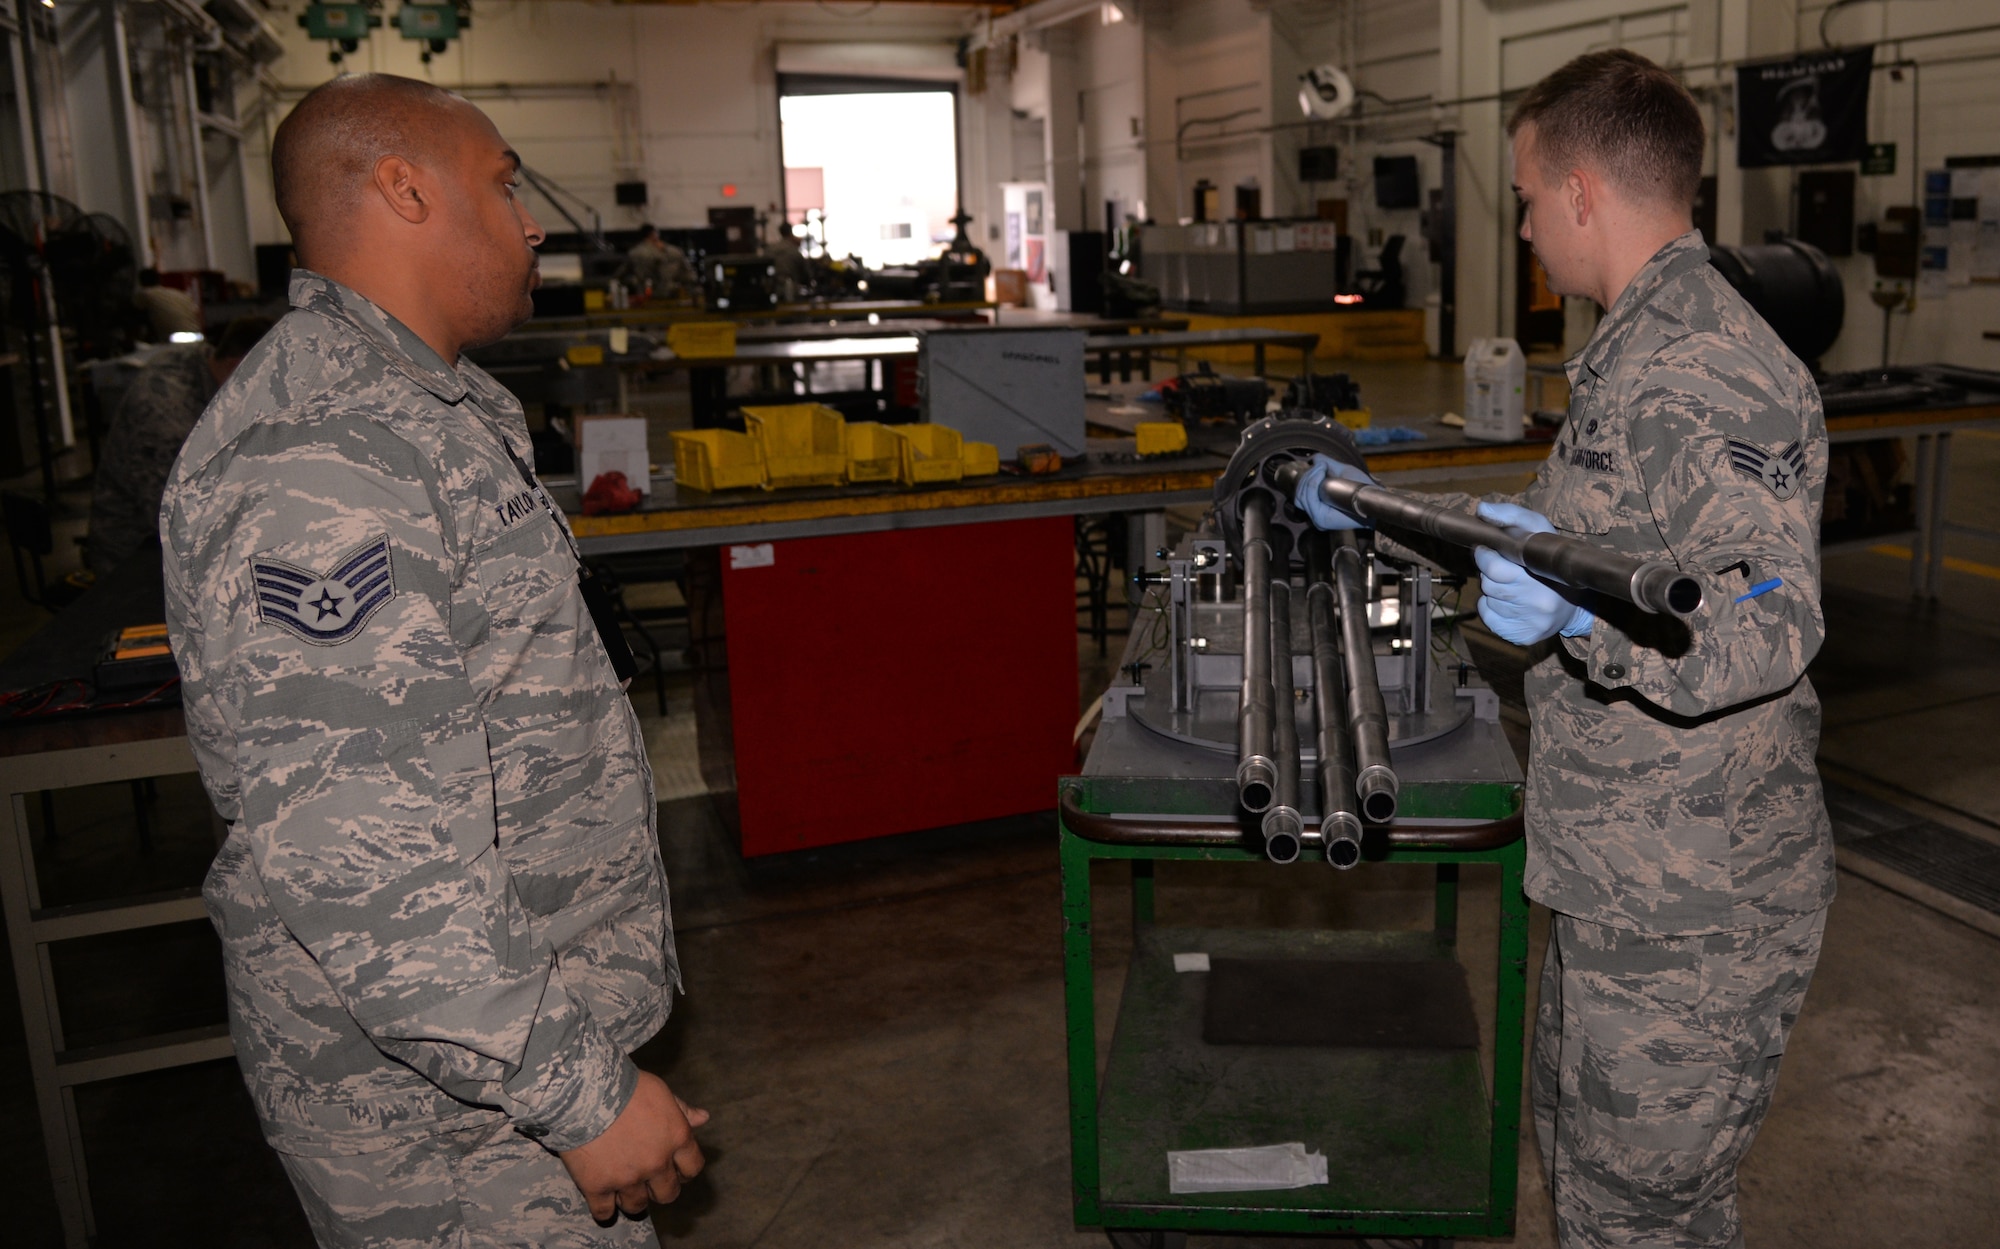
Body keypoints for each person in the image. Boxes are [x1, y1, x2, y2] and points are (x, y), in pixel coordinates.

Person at [1297, 50, 1832, 1249]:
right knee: (1598, 1195)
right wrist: (1387, 512)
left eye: (1529, 197)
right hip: (1626, 880)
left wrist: (1591, 623)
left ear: (1583, 191)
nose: (1527, 227)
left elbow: (1771, 619)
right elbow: (1559, 544)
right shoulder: (1634, 354)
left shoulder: (1695, 370)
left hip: (1694, 912)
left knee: (1634, 1223)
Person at [161, 74, 705, 1247]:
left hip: (493, 1070)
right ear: (405, 189)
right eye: (504, 184)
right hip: (444, 1115)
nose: (531, 220)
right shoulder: (322, 456)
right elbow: (365, 854)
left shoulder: (422, 409)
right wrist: (580, 1093)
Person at [87, 316, 274, 575]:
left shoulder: (202, 361)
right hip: (136, 559)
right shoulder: (165, 415)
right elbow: (182, 526)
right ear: (240, 366)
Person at [620, 223, 697, 300]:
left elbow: (621, 274)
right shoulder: (675, 251)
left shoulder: (635, 253)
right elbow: (689, 274)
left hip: (646, 297)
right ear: (656, 234)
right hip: (674, 294)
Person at [133, 268, 203, 342]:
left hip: (172, 339)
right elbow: (196, 312)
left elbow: (134, 310)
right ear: (159, 280)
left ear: (140, 282)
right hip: (196, 335)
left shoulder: (145, 294)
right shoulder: (179, 293)